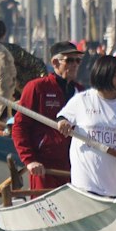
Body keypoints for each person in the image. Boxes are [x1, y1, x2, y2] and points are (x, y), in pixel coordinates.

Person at [54, 53, 116, 197]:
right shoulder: (83, 100)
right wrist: (63, 123)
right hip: (85, 185)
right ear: (104, 75)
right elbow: (63, 117)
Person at [13, 42, 81, 190]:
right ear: (55, 62)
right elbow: (20, 126)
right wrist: (30, 160)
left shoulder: (81, 92)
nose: (75, 64)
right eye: (70, 60)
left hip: (75, 167)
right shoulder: (37, 87)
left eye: (77, 60)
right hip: (43, 167)